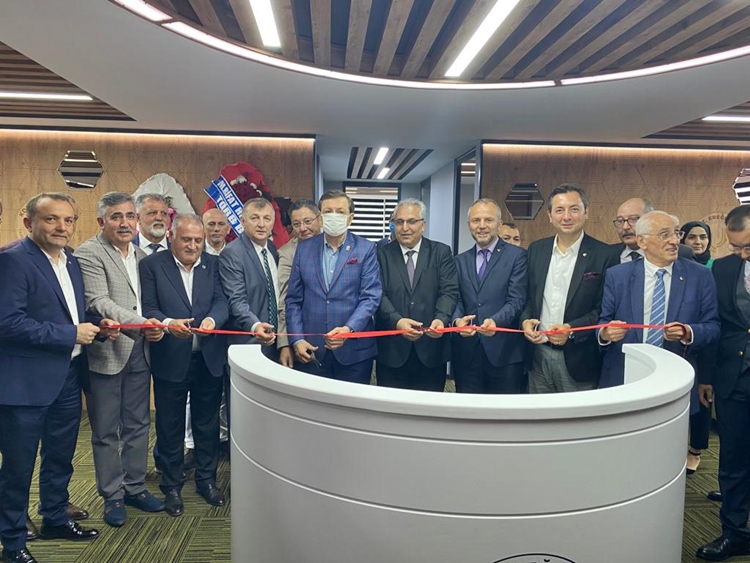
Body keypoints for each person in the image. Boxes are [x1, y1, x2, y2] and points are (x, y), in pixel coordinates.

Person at [0, 193, 107, 563]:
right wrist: (70, 334)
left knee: (60, 457)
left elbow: (69, 314)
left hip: (67, 376)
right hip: (25, 383)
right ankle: (13, 543)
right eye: (51, 219)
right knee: (18, 467)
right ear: (29, 223)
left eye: (68, 220)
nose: (62, 227)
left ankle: (55, 518)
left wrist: (98, 325)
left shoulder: (70, 260)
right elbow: (7, 323)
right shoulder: (13, 261)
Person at [73, 192, 166, 527]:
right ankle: (112, 495)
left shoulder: (142, 255)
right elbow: (99, 301)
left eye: (130, 216)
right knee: (106, 430)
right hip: (108, 353)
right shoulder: (89, 253)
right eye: (116, 216)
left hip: (141, 351)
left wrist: (159, 324)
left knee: (139, 424)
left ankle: (134, 487)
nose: (125, 223)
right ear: (102, 221)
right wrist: (143, 325)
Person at [140, 214, 229, 517]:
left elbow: (222, 301)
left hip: (208, 358)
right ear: (171, 237)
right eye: (186, 239)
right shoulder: (152, 265)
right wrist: (167, 323)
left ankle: (207, 481)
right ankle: (171, 486)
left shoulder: (213, 264)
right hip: (170, 357)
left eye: (198, 240)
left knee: (207, 424)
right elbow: (149, 307)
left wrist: (212, 320)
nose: (193, 246)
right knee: (170, 426)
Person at [597, 211, 719, 389]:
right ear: (642, 241)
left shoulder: (700, 276)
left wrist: (688, 332)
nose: (674, 241)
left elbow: (713, 327)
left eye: (677, 233)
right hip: (624, 374)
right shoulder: (617, 276)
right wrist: (605, 334)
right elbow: (603, 322)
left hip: (676, 375)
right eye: (665, 235)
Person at [521, 184, 618, 392]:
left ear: (586, 212)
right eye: (559, 210)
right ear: (549, 216)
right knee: (539, 412)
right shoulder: (536, 249)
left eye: (574, 209)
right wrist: (525, 321)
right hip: (538, 356)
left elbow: (603, 310)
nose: (566, 216)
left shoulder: (605, 255)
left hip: (579, 358)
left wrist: (571, 329)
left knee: (577, 413)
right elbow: (528, 297)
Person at [696, 205, 750, 561]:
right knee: (732, 459)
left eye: (749, 247)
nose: (742, 254)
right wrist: (707, 377)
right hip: (733, 376)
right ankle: (735, 533)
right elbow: (716, 325)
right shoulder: (723, 268)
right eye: (736, 247)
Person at [286, 190, 382, 384]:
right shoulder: (304, 249)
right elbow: (294, 300)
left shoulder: (366, 248)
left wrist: (349, 328)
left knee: (352, 402)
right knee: (312, 402)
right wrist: (297, 339)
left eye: (340, 211)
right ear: (320, 217)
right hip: (311, 349)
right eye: (328, 211)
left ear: (350, 218)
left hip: (354, 351)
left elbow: (370, 297)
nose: (334, 216)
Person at [375, 199, 458, 391]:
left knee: (429, 406)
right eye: (399, 222)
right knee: (390, 406)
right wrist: (397, 321)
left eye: (411, 221)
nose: (405, 228)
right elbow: (377, 293)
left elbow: (449, 291)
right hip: (392, 350)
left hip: (431, 348)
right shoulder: (380, 254)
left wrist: (441, 319)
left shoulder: (441, 252)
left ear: (423, 225)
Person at [452, 199, 528, 393]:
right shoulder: (459, 260)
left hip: (505, 353)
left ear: (499, 224)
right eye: (476, 220)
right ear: (469, 224)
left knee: (503, 410)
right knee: (467, 409)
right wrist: (457, 321)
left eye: (488, 220)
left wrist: (496, 321)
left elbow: (516, 299)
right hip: (467, 354)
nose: (482, 225)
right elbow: (455, 298)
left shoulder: (517, 256)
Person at [219, 199, 279, 358]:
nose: (261, 224)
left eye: (267, 218)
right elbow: (236, 300)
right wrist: (255, 326)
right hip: (249, 342)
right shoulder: (232, 253)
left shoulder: (271, 248)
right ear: (243, 221)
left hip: (275, 341)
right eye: (255, 218)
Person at [681, 220, 715, 474]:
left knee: (703, 398)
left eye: (703, 237)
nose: (698, 242)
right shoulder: (679, 266)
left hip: (707, 343)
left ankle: (696, 449)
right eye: (692, 237)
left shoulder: (715, 268)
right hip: (681, 342)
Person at [276, 199, 321, 368]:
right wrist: (285, 342)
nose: (302, 228)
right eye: (296, 224)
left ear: (319, 219)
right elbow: (285, 300)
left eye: (307, 221)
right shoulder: (287, 253)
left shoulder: (335, 243)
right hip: (303, 337)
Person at [611, 197, 694, 262]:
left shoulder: (680, 252)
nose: (625, 227)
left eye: (633, 219)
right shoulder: (609, 254)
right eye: (620, 221)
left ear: (651, 219)